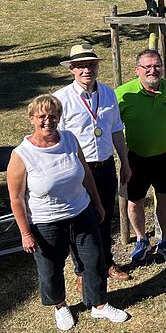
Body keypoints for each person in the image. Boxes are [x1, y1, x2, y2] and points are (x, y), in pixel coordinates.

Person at [7, 95, 129, 331]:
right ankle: (60, 306)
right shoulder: (22, 155)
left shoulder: (70, 139)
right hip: (46, 222)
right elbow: (16, 198)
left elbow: (85, 173)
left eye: (53, 116)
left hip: (81, 211)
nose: (48, 121)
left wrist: (97, 203)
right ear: (31, 118)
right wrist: (25, 233)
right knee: (50, 267)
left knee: (94, 259)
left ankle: (99, 305)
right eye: (42, 116)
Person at [53, 45, 131, 285]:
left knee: (105, 216)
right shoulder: (61, 99)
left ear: (97, 67)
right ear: (72, 70)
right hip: (77, 170)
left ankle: (107, 263)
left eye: (91, 65)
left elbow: (117, 129)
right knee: (79, 221)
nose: (87, 69)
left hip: (105, 165)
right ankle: (81, 271)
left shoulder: (108, 94)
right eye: (81, 66)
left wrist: (125, 162)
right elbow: (57, 138)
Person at [116, 49, 166, 263]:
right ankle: (141, 239)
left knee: (165, 197)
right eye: (147, 67)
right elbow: (112, 126)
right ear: (138, 70)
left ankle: (165, 241)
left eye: (157, 66)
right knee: (135, 201)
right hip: (135, 158)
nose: (153, 70)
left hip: (165, 155)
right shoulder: (124, 94)